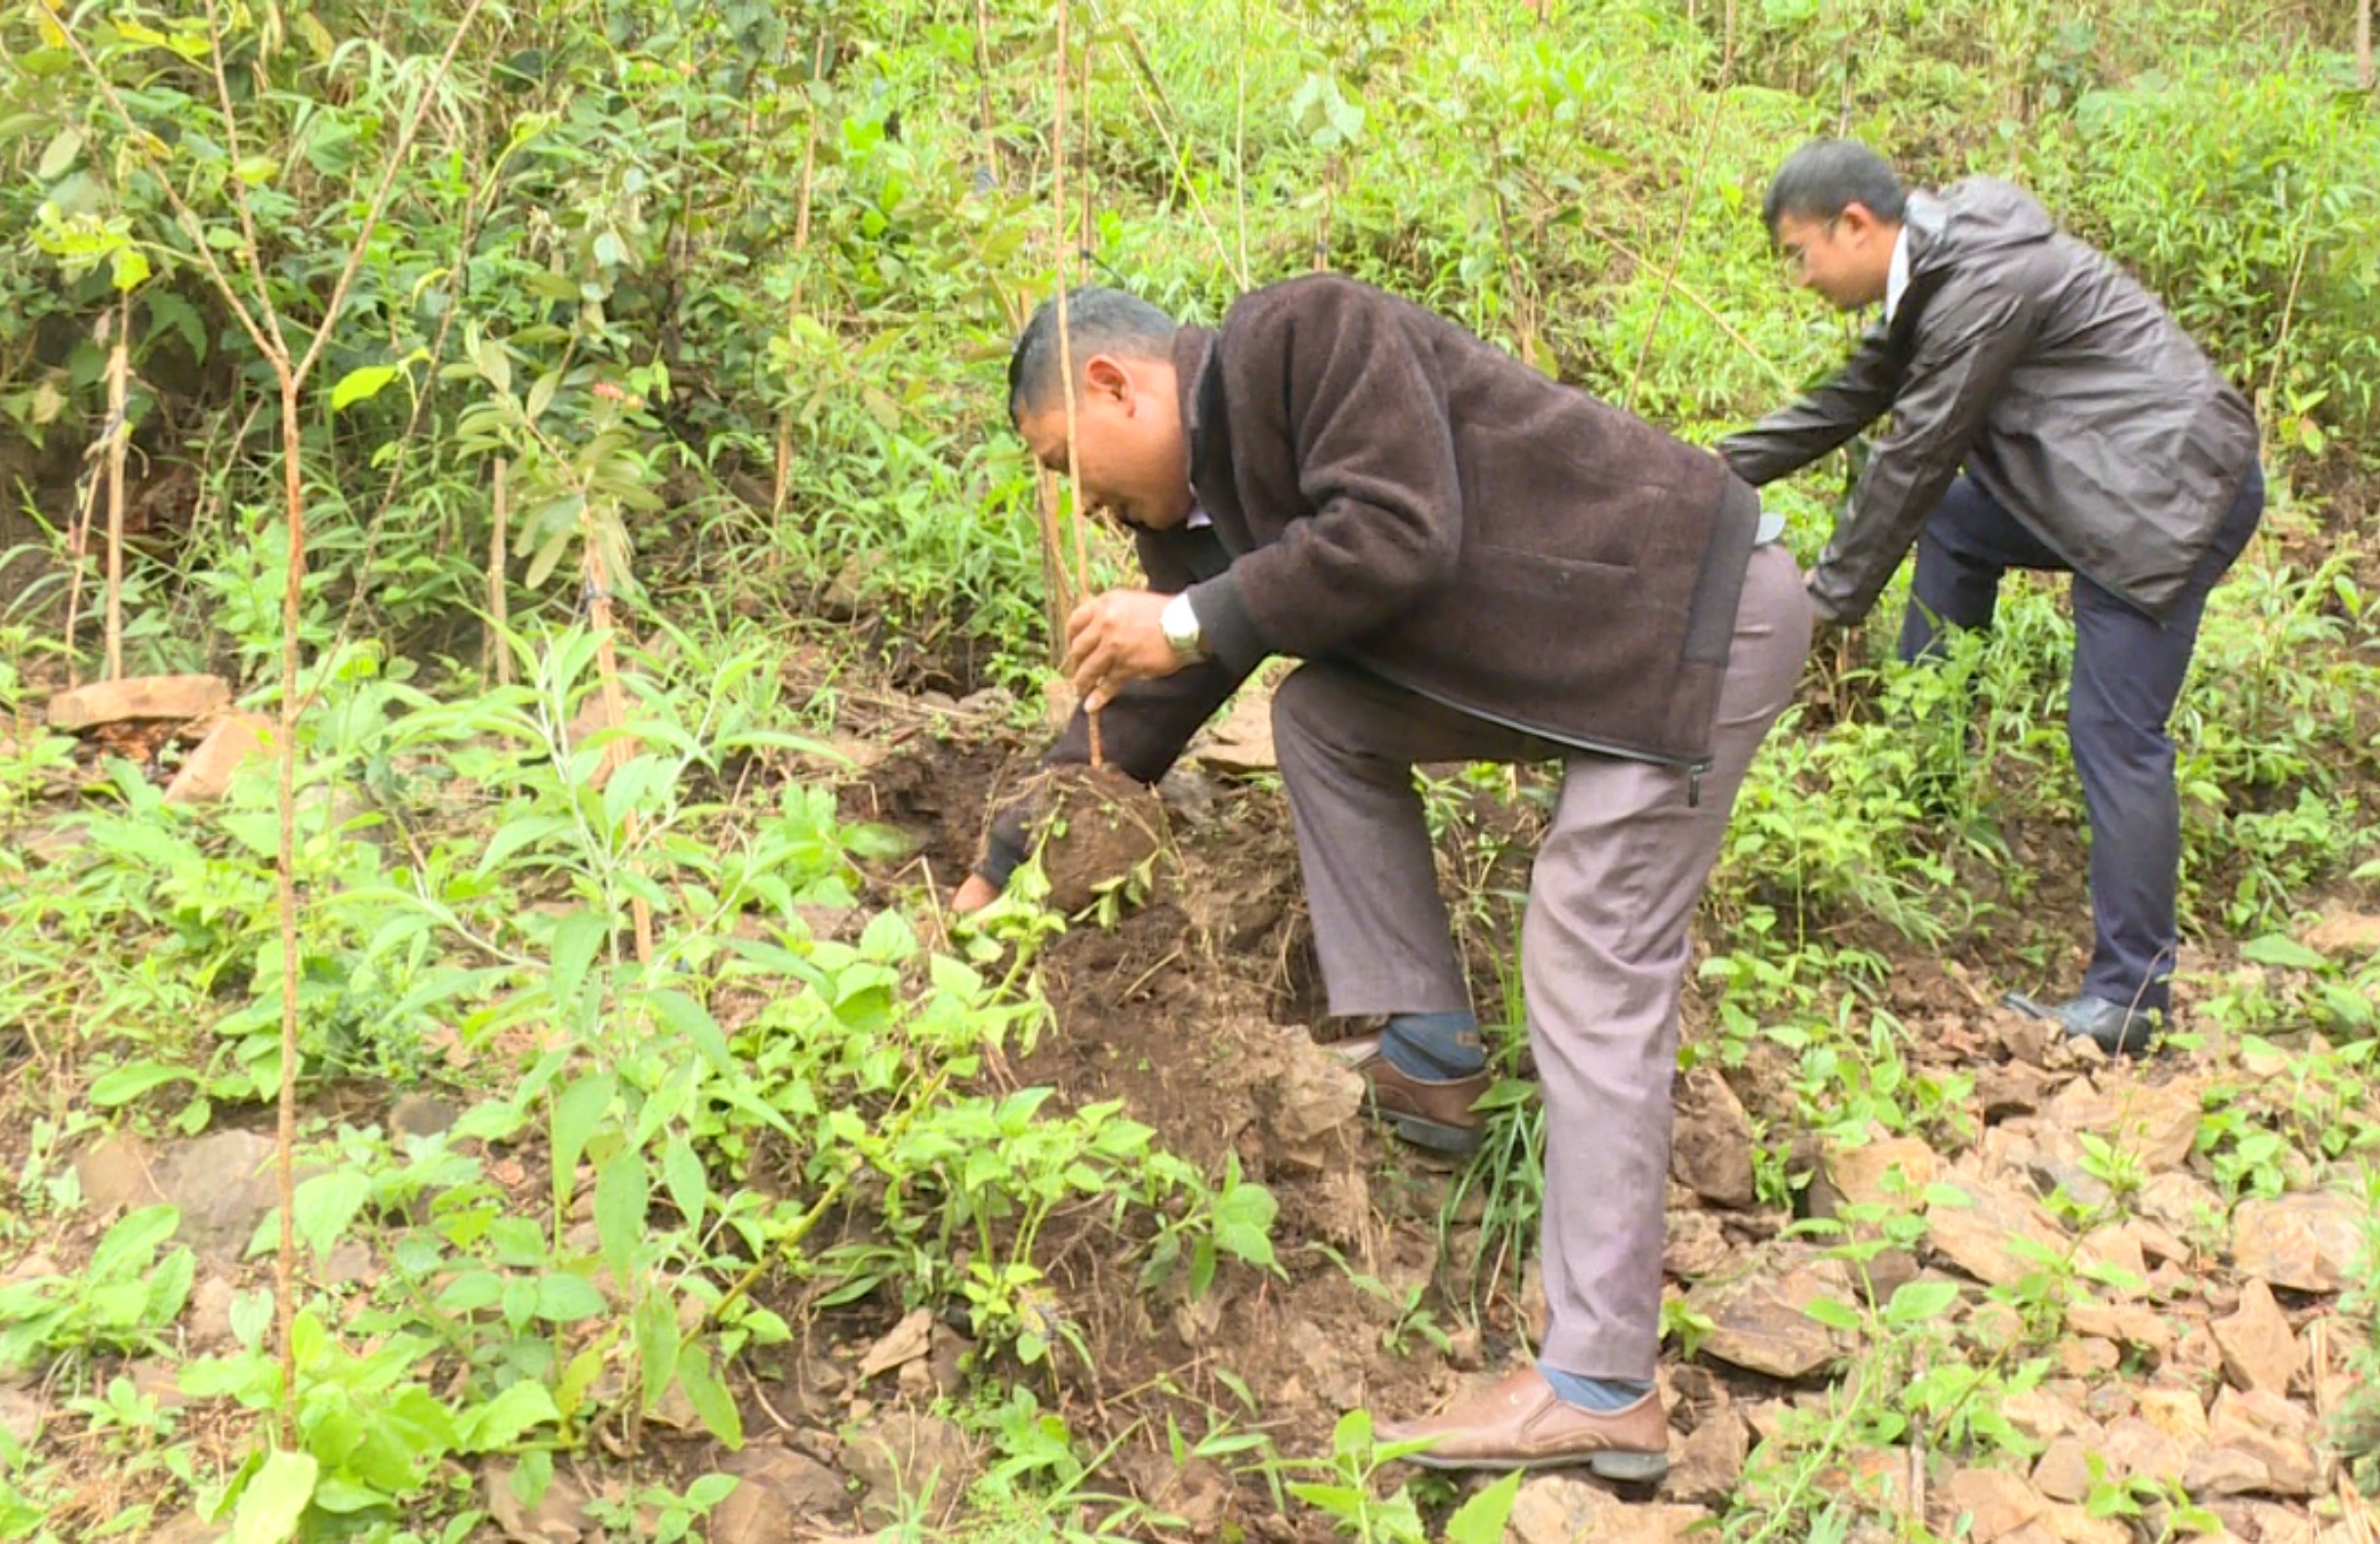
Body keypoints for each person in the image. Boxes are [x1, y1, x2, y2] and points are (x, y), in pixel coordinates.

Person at [950, 275, 1807, 1479]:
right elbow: (1154, 698)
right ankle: (1434, 1060)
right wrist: (1001, 869)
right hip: (1575, 659)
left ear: (1113, 384)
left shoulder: (1303, 337)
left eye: (1062, 461)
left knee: (1587, 943)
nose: (1076, 497)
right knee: (1323, 717)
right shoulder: (1195, 513)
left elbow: (1400, 532)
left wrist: (1189, 620)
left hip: (1690, 626)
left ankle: (1601, 1379)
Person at [1717, 140, 2264, 1056]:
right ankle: (1928, 774)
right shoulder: (1940, 266)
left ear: (1855, 224)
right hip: (2115, 480)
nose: (1800, 276)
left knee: (2115, 737)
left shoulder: (1979, 287)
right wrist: (1705, 472)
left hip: (2168, 497)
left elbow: (1917, 451)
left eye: (1798, 252)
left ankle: (2131, 998)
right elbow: (1858, 395)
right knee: (1961, 525)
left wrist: (1823, 601)